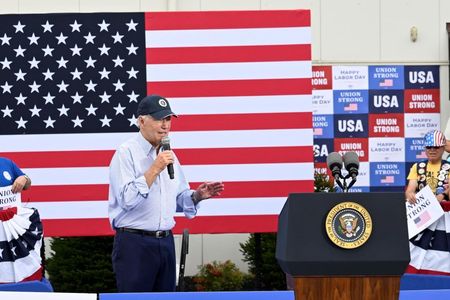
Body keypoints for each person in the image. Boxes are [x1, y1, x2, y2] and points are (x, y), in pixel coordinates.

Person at [108, 94, 225, 292]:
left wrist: (196, 196)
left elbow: (177, 198)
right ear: (142, 121)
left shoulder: (169, 154)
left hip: (166, 242)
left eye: (168, 119)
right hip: (134, 244)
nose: (165, 125)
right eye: (159, 119)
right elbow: (127, 199)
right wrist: (154, 168)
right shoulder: (126, 153)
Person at [405, 130, 450, 204]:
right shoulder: (417, 167)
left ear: (443, 148)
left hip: (446, 211)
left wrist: (443, 194)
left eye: (436, 147)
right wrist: (410, 195)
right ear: (425, 149)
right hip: (424, 211)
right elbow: (410, 190)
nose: (432, 150)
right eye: (429, 147)